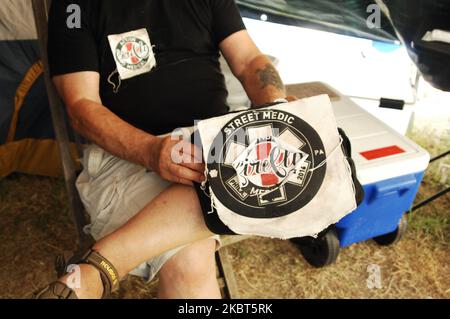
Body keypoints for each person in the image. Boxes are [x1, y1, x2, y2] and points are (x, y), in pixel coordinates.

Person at [35, 0, 291, 299]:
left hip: (214, 143)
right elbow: (81, 106)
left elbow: (249, 60)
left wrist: (275, 105)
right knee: (190, 259)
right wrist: (152, 151)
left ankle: (98, 269)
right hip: (127, 157)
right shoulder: (74, 7)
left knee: (307, 151)